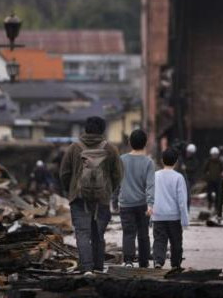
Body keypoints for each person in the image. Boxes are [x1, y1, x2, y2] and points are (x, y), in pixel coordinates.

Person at [60, 116, 123, 275]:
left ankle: (87, 269)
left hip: (79, 199)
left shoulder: (74, 148)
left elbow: (64, 174)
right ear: (102, 130)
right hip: (101, 199)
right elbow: (118, 175)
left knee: (82, 233)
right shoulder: (111, 149)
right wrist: (107, 191)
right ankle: (98, 267)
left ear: (85, 129)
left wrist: (72, 190)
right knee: (98, 234)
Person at [116, 129, 155, 268]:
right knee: (143, 234)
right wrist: (151, 204)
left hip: (125, 203)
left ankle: (128, 261)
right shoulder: (148, 162)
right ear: (145, 143)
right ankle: (144, 263)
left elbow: (116, 181)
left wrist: (115, 200)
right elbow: (150, 185)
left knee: (128, 233)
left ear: (129, 142)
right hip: (143, 204)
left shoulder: (121, 160)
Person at [152, 148, 188, 270]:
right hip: (174, 216)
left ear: (162, 161)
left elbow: (149, 194)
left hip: (158, 215)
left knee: (159, 240)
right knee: (176, 241)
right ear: (176, 161)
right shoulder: (178, 177)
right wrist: (185, 220)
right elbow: (182, 201)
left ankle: (158, 261)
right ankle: (175, 264)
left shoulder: (155, 176)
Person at [203, 147, 223, 215]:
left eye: (216, 155)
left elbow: (222, 170)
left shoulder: (220, 162)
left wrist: (222, 174)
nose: (214, 156)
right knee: (209, 193)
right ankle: (210, 203)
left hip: (217, 180)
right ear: (211, 154)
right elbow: (204, 170)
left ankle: (216, 207)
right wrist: (206, 175)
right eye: (213, 155)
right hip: (210, 180)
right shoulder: (208, 161)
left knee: (218, 195)